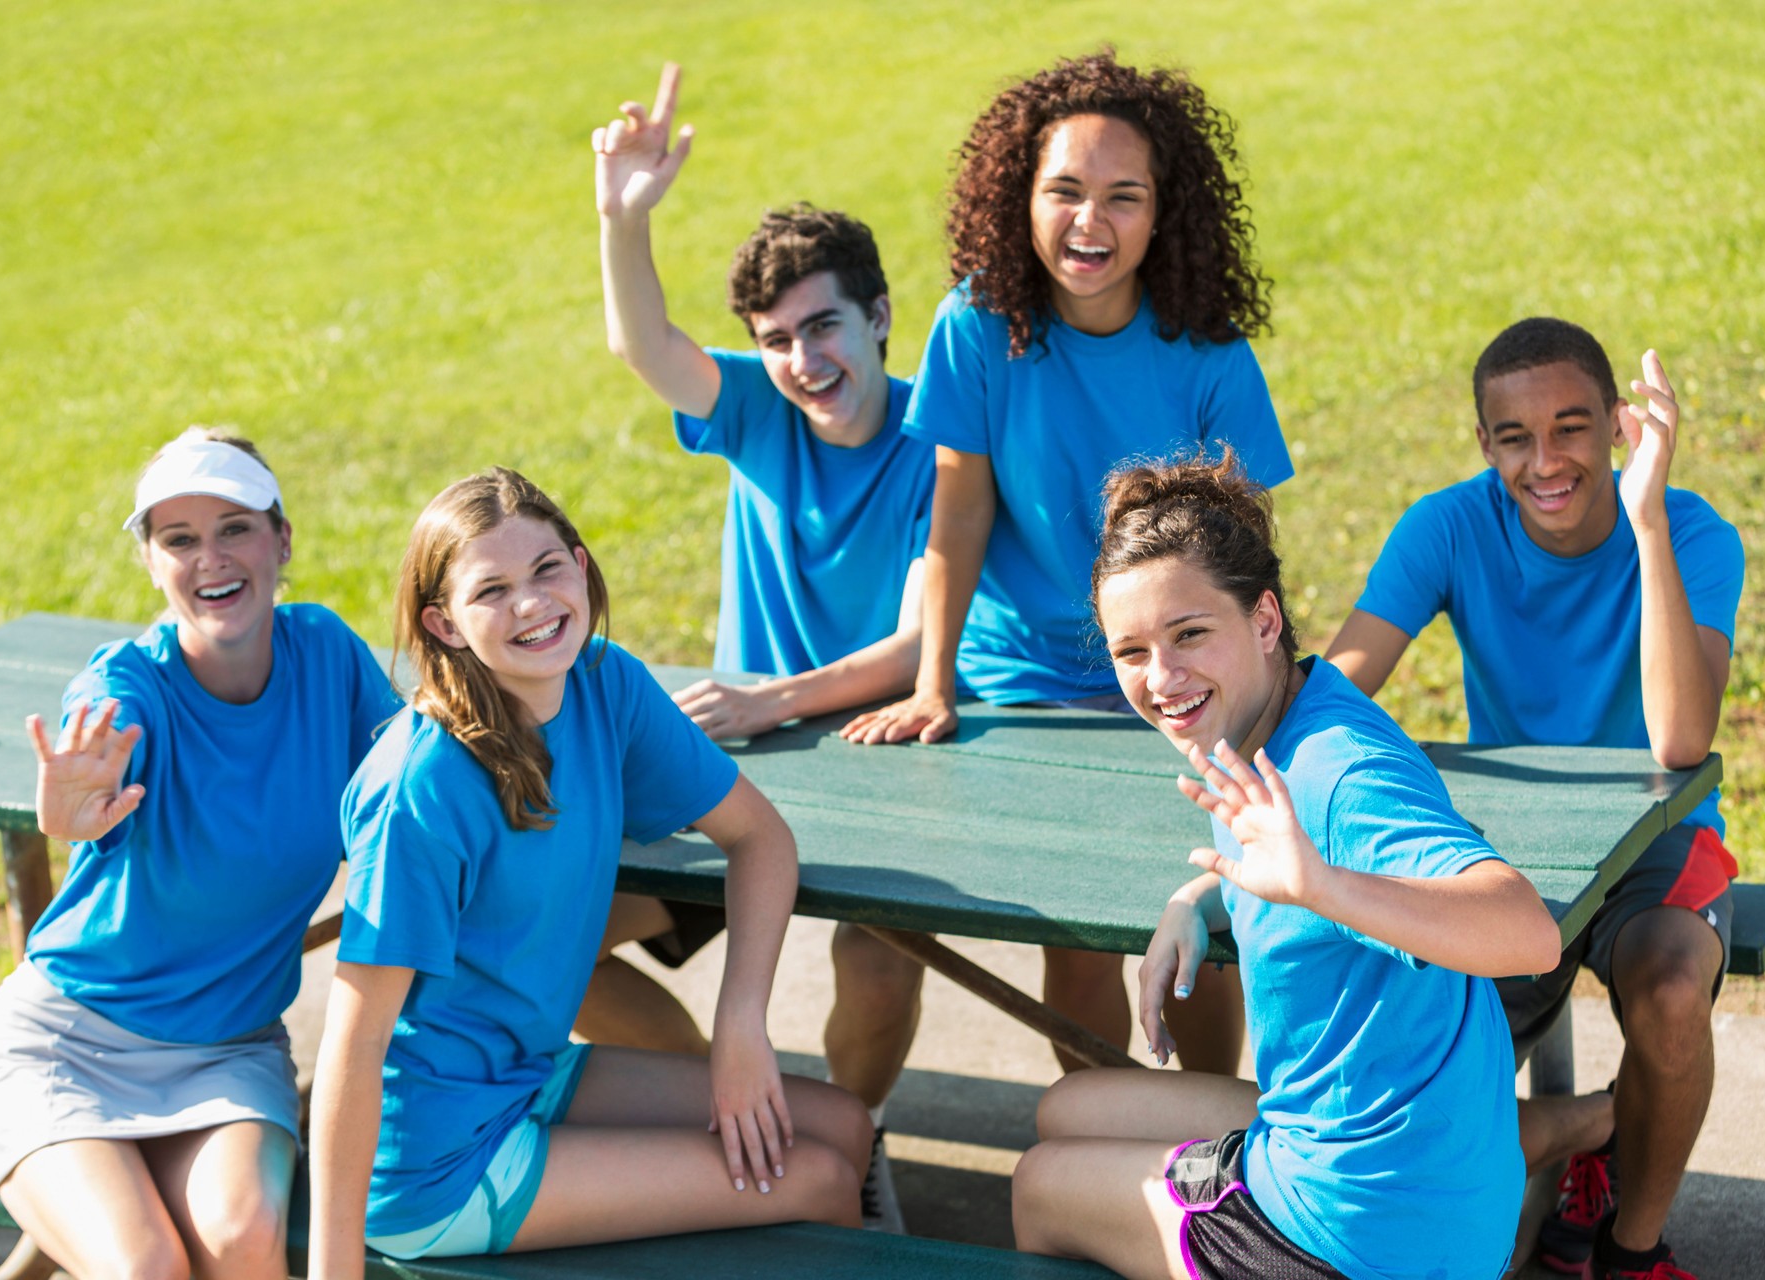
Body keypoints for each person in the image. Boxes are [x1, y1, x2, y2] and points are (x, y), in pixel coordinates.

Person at [1010, 451, 1612, 1280]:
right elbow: (1302, 856)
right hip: (1400, 1159)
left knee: (1040, 1186)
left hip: (1364, 1234)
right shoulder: (1288, 709)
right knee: (1068, 1107)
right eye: (1132, 650)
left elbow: (1525, 931)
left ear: (1262, 620)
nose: (1162, 678)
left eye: (1189, 634)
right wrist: (1200, 896)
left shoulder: (1337, 776)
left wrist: (1318, 886)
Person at [846, 48, 1294, 1080]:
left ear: (1163, 213)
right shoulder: (976, 323)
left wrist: (1252, 711)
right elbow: (956, 514)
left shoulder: (1210, 352)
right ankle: (1109, 1143)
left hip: (1179, 681)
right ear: (1021, 196)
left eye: (1122, 197)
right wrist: (931, 681)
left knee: (1202, 930)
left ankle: (1216, 1137)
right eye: (1064, 191)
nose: (1089, 223)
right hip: (1027, 681)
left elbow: (1245, 561)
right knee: (1083, 935)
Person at [307, 469, 871, 1274]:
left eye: (546, 569)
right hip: (434, 1163)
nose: (532, 604)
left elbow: (760, 839)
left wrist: (740, 1026)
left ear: (580, 563)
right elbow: (353, 1048)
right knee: (814, 1178)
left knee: (843, 1126)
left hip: (527, 1073)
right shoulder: (421, 790)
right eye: (491, 590)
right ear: (446, 626)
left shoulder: (606, 684)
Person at [1326, 319, 1745, 1280]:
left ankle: (1631, 1249)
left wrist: (1645, 522)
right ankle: (1590, 1129)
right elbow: (1342, 686)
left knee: (1674, 987)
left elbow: (1681, 743)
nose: (1546, 460)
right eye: (1515, 437)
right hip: (1516, 856)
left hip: (1657, 843)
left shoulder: (1691, 535)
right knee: (1430, 1059)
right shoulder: (1448, 525)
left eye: (1571, 428)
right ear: (1485, 445)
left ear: (1615, 427)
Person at [591, 63, 935, 1227]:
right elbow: (648, 347)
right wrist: (620, 220)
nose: (804, 361)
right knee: (571, 937)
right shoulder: (753, 409)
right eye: (778, 340)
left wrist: (776, 700)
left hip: (885, 753)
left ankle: (849, 1131)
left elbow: (918, 642)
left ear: (882, 315)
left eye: (824, 325)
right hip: (741, 761)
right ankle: (741, 1115)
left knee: (885, 961)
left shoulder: (944, 437)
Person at [0, 428, 401, 1280]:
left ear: (281, 540)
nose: (211, 559)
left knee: (241, 1241)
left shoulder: (326, 652)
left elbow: (410, 770)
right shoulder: (127, 684)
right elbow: (96, 760)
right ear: (152, 562)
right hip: (68, 1043)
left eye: (234, 527)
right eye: (179, 540)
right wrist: (75, 811)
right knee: (147, 1268)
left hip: (230, 1049)